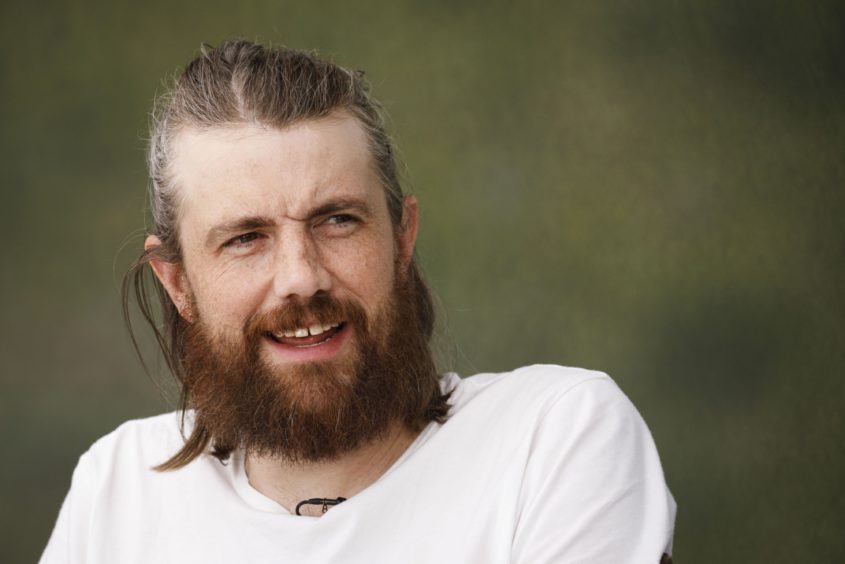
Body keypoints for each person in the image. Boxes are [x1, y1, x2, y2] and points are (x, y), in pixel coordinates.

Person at [40, 40, 676, 563]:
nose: (301, 277)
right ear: (178, 284)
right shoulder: (119, 489)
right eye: (245, 238)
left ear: (402, 238)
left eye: (337, 219)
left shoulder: (554, 438)